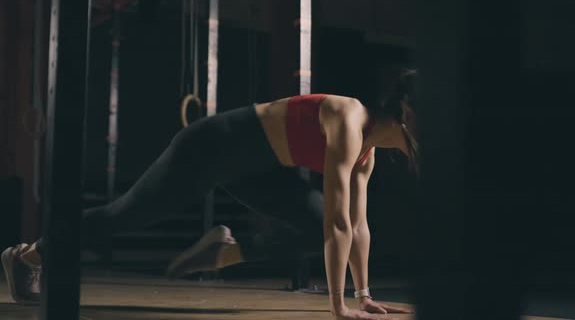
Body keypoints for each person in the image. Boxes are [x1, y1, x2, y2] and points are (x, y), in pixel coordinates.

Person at [2, 70, 418, 320]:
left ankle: (224, 251)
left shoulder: (368, 154)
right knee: (123, 217)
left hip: (258, 169)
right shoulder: (348, 120)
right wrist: (338, 307)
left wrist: (363, 296)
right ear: (407, 115)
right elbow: (339, 221)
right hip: (211, 147)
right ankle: (26, 256)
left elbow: (359, 227)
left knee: (313, 226)